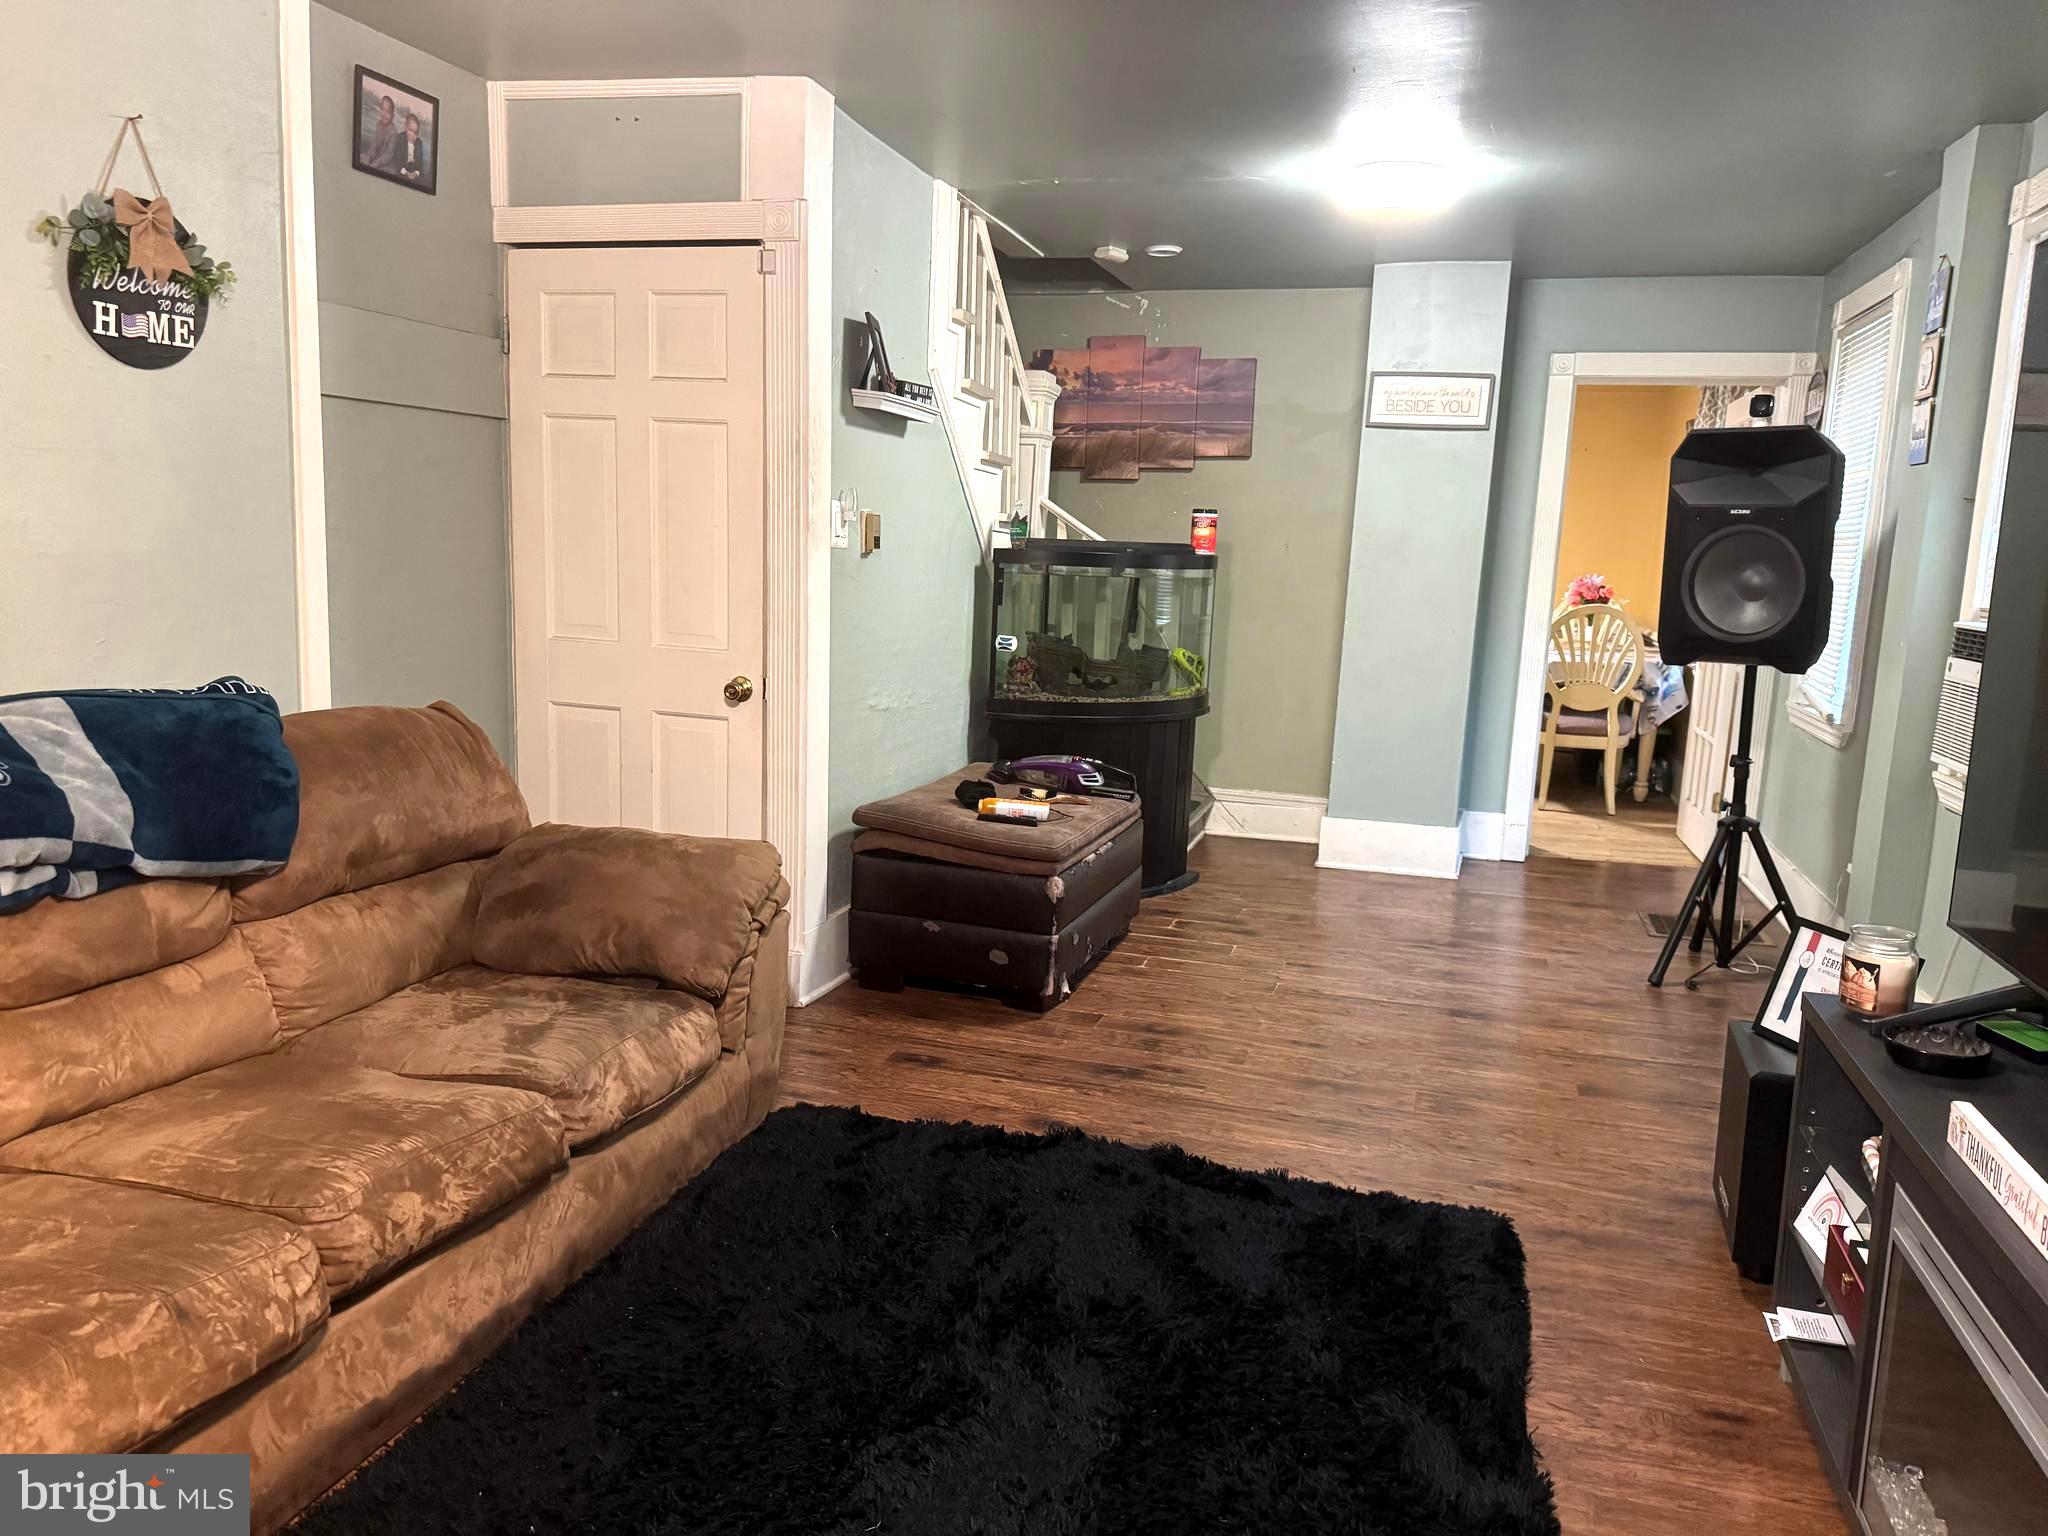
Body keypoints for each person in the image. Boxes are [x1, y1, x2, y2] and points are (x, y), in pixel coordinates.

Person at [364, 93, 400, 171]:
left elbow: (388, 155)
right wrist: (369, 157)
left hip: (387, 165)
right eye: (382, 110)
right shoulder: (379, 124)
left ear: (393, 116)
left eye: (388, 112)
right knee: (362, 159)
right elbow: (374, 144)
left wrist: (374, 164)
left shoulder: (393, 133)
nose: (384, 114)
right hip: (376, 159)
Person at [396, 112, 427, 181]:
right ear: (406, 128)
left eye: (415, 133)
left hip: (413, 171)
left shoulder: (419, 143)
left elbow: (420, 164)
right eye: (410, 130)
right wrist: (405, 172)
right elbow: (396, 159)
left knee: (423, 181)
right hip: (401, 170)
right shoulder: (400, 138)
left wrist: (416, 173)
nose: (412, 135)